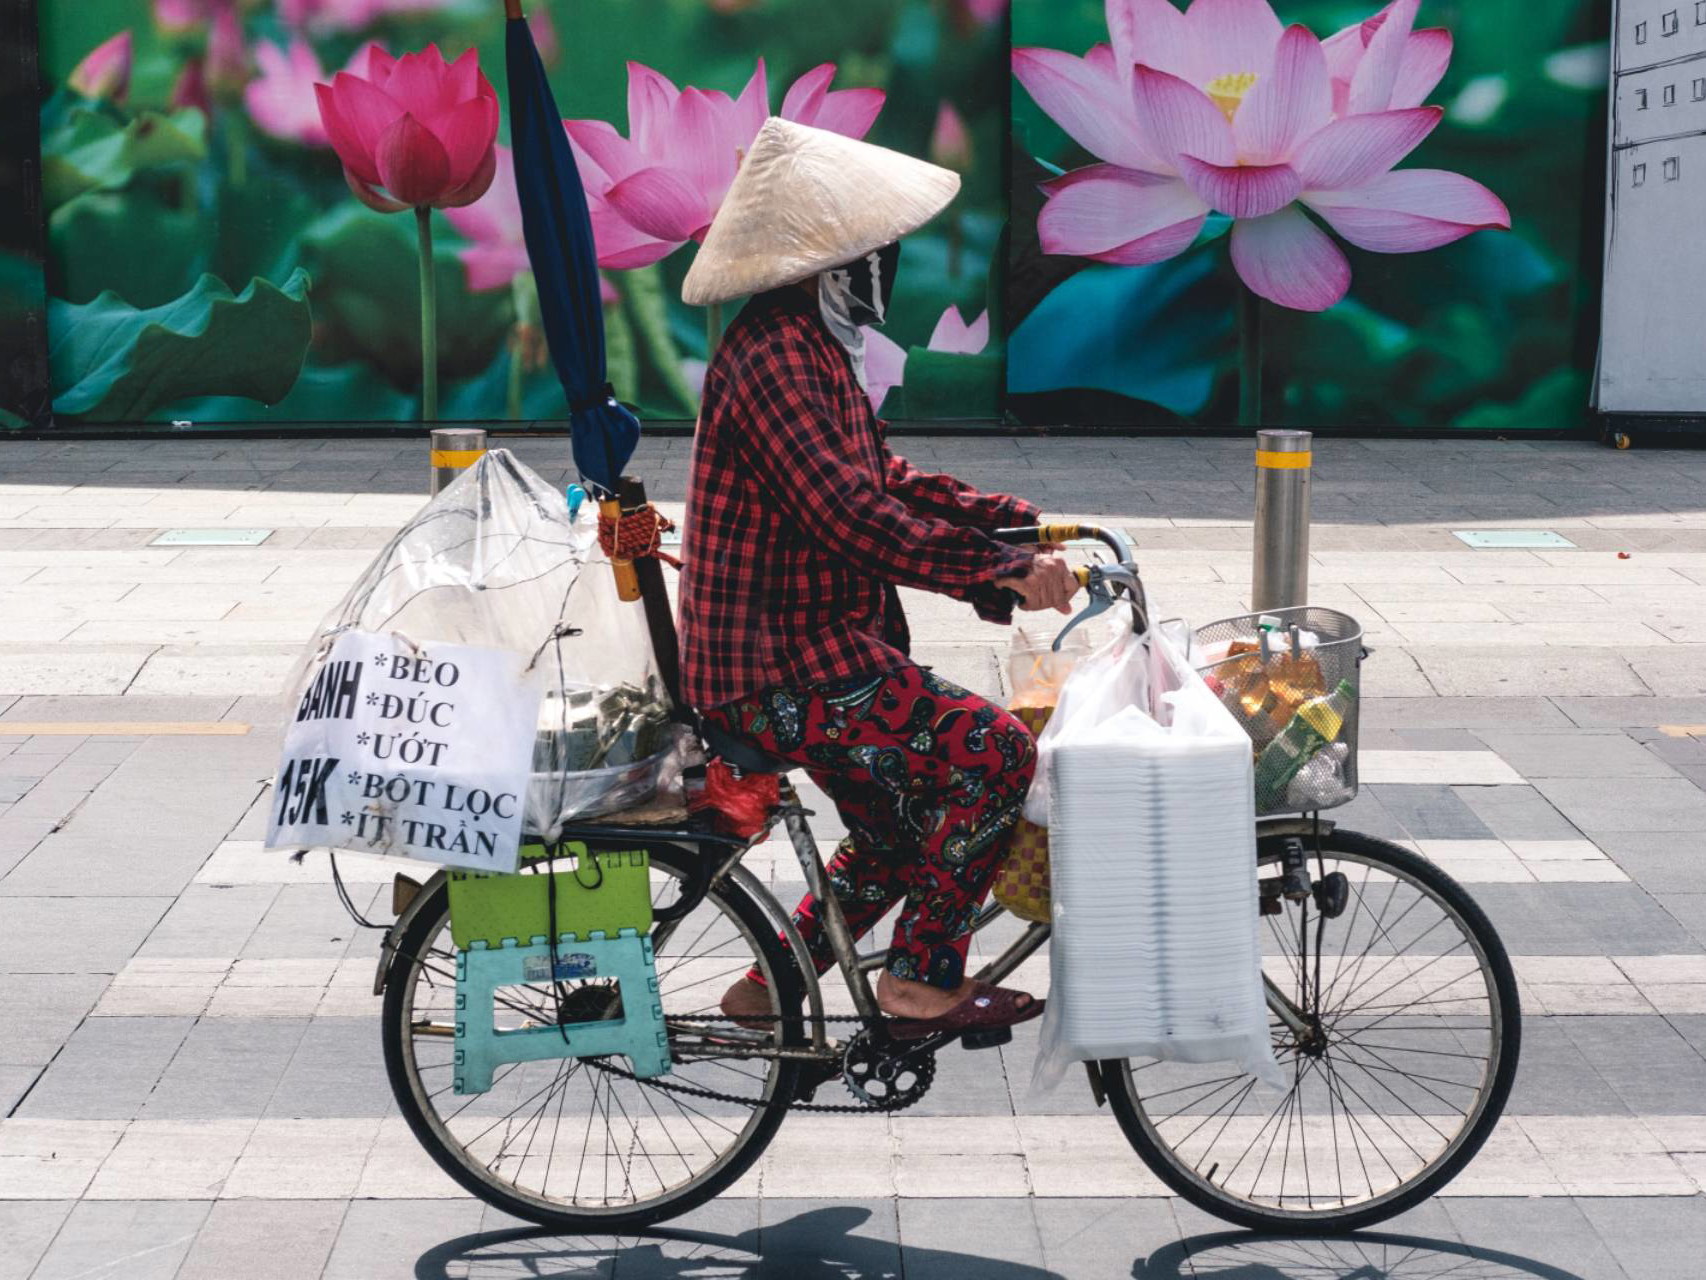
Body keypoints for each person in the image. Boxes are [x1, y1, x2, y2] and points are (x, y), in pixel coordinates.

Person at [676, 117, 1079, 1040]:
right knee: (993, 751)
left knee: (902, 840)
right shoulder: (778, 355)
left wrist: (1014, 522)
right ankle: (920, 983)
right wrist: (1004, 571)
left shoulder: (812, 345)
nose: (891, 265)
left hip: (809, 654)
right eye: (879, 250)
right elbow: (849, 517)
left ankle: (764, 985)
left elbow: (886, 480)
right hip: (780, 672)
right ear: (834, 262)